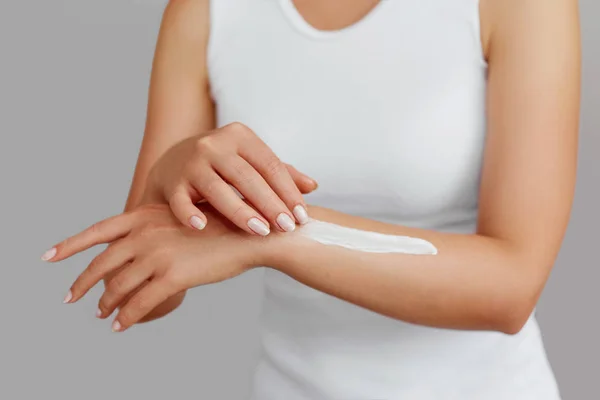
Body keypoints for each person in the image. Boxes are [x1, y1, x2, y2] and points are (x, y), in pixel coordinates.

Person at [41, 0, 581, 398]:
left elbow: (510, 289)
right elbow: (139, 293)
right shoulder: (206, 11)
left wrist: (276, 237)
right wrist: (168, 180)